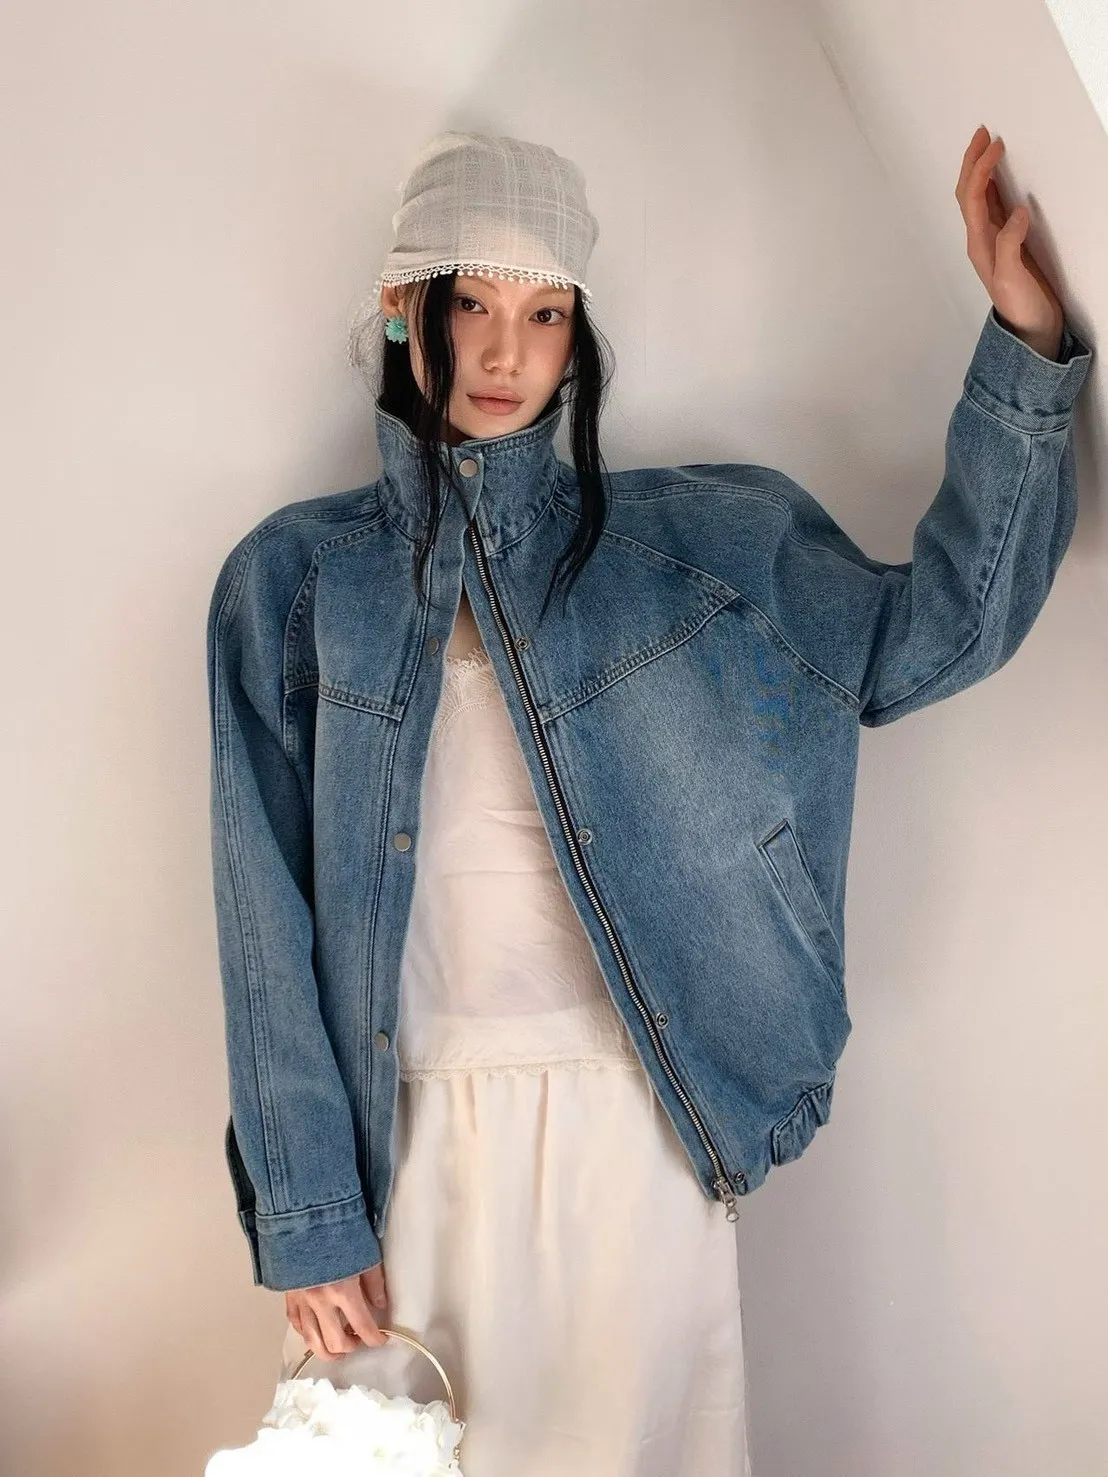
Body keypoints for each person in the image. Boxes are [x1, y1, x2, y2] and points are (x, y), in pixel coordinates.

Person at [206, 129, 1092, 1476]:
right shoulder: (295, 581)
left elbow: (937, 631)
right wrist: (307, 1211)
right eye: (469, 303)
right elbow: (260, 917)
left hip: (637, 1134)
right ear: (401, 308)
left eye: (545, 313)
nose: (505, 352)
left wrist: (1025, 344)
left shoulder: (699, 548)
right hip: (402, 1154)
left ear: (580, 336)